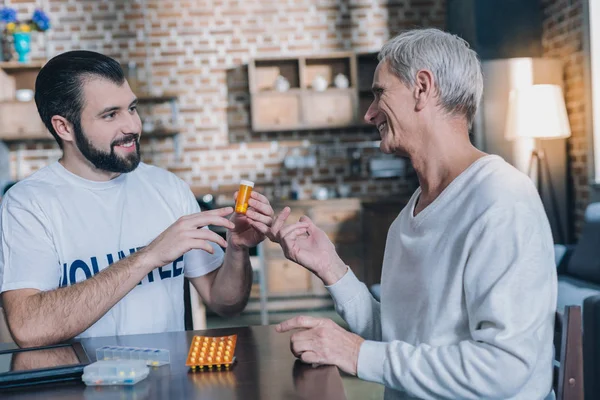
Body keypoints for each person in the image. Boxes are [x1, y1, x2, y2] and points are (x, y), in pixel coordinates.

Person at [264, 29, 557, 399]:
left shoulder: (502, 200)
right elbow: (400, 340)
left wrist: (355, 353)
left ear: (422, 87)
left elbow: (504, 367)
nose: (369, 113)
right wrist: (331, 268)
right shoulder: (411, 214)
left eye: (379, 93)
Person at [0, 50, 275, 348]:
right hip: (81, 390)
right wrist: (149, 256)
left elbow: (224, 302)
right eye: (110, 115)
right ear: (64, 127)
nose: (132, 126)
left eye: (132, 108)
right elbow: (29, 328)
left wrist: (237, 250)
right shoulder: (27, 204)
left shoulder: (168, 187)